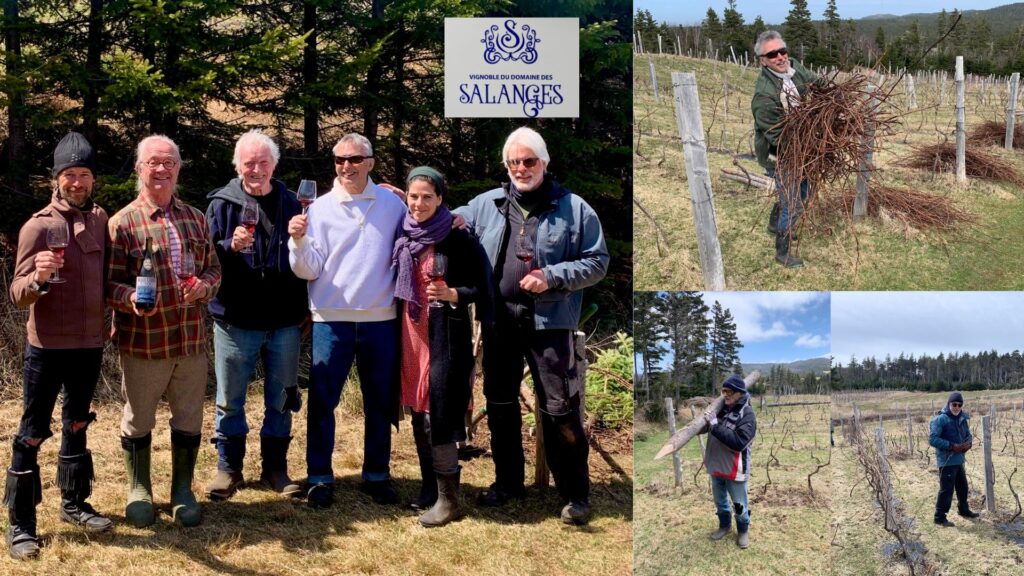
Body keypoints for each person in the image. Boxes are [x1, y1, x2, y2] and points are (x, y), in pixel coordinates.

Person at [453, 126, 609, 525]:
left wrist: (552, 276)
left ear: (545, 162)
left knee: (559, 407)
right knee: (500, 402)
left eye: (529, 161)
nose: (521, 168)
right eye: (514, 162)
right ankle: (508, 483)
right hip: (499, 320)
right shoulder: (486, 204)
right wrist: (403, 200)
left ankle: (574, 493)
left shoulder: (575, 209)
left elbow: (597, 262)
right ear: (506, 166)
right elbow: (445, 222)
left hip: (551, 323)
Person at [5, 132, 113, 560]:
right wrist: (39, 278)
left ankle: (73, 504)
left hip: (90, 344)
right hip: (46, 348)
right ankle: (20, 524)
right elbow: (17, 294)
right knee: (32, 433)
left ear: (93, 179)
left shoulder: (101, 219)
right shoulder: (38, 225)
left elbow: (108, 279)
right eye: (70, 174)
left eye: (84, 174)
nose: (77, 182)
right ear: (56, 179)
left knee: (78, 423)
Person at [106, 135, 221, 528]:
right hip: (145, 343)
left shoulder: (196, 218)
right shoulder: (122, 223)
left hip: (190, 340)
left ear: (178, 169)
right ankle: (139, 489)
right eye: (153, 162)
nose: (161, 169)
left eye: (168, 162)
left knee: (189, 418)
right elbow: (108, 284)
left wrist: (205, 287)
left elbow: (213, 269)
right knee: (139, 418)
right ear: (139, 168)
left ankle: (182, 490)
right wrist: (130, 299)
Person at [288, 133, 406, 509]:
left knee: (380, 402)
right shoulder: (318, 209)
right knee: (322, 403)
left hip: (381, 318)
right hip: (331, 319)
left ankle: (377, 475)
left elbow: (420, 231)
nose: (346, 166)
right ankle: (319, 477)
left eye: (354, 159)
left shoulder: (393, 205)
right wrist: (298, 242)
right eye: (339, 160)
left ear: (371, 162)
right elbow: (308, 270)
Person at [204, 130, 307, 500]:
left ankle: (275, 469)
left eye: (264, 162)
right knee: (229, 400)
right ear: (238, 166)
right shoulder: (221, 204)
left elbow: (313, 254)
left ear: (274, 165)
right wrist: (228, 246)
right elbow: (204, 257)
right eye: (249, 163)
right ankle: (228, 469)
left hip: (284, 321)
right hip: (235, 319)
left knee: (281, 399)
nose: (257, 169)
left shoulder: (294, 203)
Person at [392, 166, 493, 527]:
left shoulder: (457, 237)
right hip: (410, 334)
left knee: (440, 412)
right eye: (413, 196)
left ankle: (449, 500)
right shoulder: (404, 233)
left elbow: (482, 286)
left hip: (444, 336)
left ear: (440, 199)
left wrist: (453, 293)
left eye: (427, 197)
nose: (419, 203)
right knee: (420, 413)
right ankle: (428, 488)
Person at [751, 30, 818, 269]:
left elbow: (816, 82)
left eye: (782, 51)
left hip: (802, 145)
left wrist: (836, 96)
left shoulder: (794, 68)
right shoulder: (764, 95)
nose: (780, 57)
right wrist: (811, 142)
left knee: (803, 191)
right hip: (779, 152)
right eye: (772, 54)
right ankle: (783, 250)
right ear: (763, 61)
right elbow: (778, 137)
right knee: (793, 201)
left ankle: (774, 224)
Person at [702, 375, 757, 549]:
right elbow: (705, 428)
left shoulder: (747, 414)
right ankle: (724, 526)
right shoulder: (721, 409)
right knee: (720, 501)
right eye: (723, 391)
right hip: (716, 465)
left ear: (740, 393)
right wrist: (704, 421)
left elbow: (739, 442)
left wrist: (715, 425)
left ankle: (743, 531)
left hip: (735, 469)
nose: (725, 395)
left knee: (739, 504)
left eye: (729, 391)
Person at [929, 392, 980, 527]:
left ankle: (963, 510)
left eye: (959, 405)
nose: (957, 407)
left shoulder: (962, 418)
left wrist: (968, 444)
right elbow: (933, 439)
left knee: (963, 487)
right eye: (954, 404)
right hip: (947, 460)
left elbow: (968, 435)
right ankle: (939, 517)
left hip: (959, 459)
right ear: (949, 404)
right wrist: (951, 446)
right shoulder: (940, 419)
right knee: (947, 490)